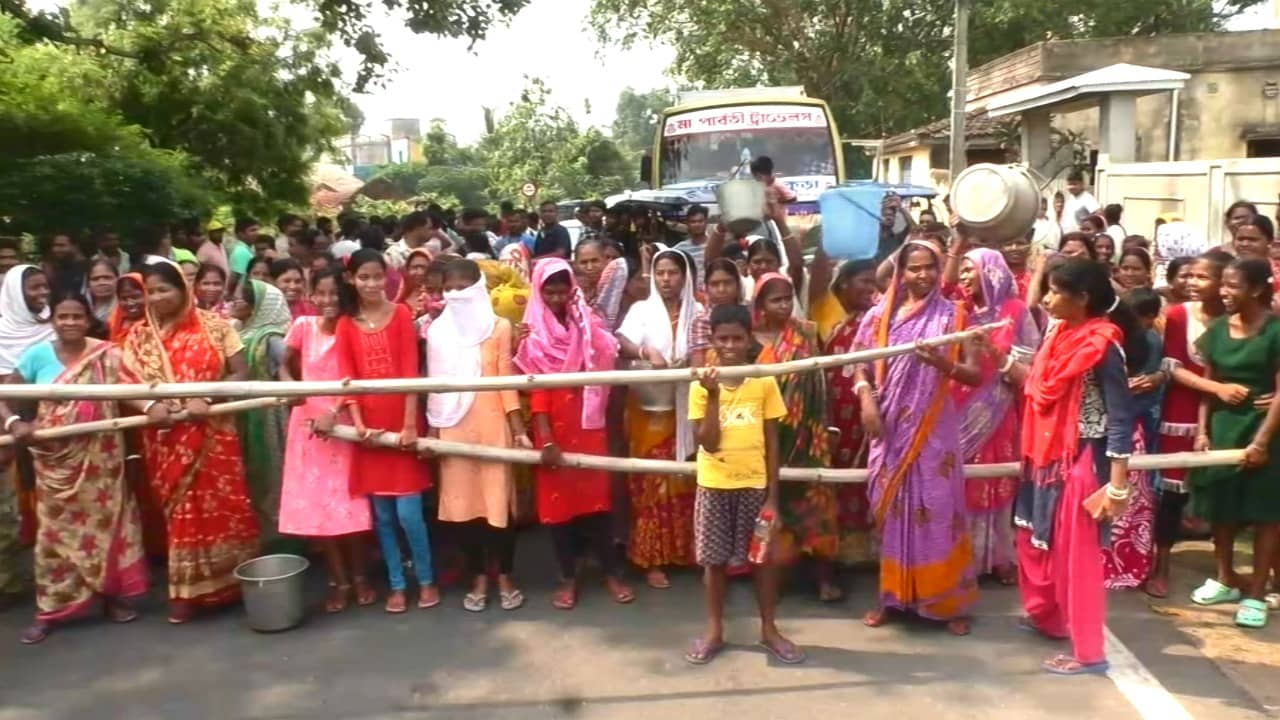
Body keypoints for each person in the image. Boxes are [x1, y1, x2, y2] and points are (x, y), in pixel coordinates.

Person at [1016, 257, 1143, 675]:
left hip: (1085, 460)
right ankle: (1050, 618)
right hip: (1049, 455)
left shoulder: (1102, 345)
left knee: (1079, 558)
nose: (1047, 298)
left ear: (1082, 298)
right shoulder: (1058, 334)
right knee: (1039, 541)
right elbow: (1038, 387)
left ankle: (1089, 652)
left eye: (1055, 291)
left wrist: (1118, 485)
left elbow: (1120, 416)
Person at [2, 290, 150, 644]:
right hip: (53, 463)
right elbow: (6, 396)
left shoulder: (107, 355)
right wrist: (13, 425)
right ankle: (50, 609)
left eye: (76, 317)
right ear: (52, 320)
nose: (69, 323)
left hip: (101, 460)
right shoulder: (37, 355)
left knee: (105, 526)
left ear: (88, 320)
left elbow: (135, 391)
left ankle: (111, 597)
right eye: (62, 317)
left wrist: (151, 409)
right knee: (54, 536)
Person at [119, 259, 258, 623]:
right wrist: (150, 406)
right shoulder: (137, 337)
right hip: (164, 436)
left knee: (225, 506)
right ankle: (187, 593)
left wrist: (209, 397)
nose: (158, 297)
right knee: (181, 513)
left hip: (212, 432)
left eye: (165, 289)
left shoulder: (216, 326)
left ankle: (233, 583)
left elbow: (240, 370)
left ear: (183, 289)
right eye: (151, 291)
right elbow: (125, 381)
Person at [853, 240, 980, 635]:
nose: (922, 275)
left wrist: (942, 362)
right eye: (914, 269)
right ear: (900, 273)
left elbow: (974, 373)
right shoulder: (880, 317)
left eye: (929, 267)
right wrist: (866, 401)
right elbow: (858, 365)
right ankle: (894, 597)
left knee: (938, 510)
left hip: (934, 435)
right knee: (893, 514)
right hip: (888, 430)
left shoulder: (956, 315)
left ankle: (947, 602)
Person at [684, 305, 804, 665]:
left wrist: (774, 498)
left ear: (749, 339)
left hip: (754, 486)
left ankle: (769, 630)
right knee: (714, 563)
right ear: (713, 341)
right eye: (724, 339)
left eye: (738, 338)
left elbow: (772, 444)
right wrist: (715, 395)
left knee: (763, 561)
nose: (731, 345)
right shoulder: (701, 386)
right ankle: (715, 630)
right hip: (714, 485)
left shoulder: (763, 381)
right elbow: (707, 443)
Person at [515, 258, 634, 608]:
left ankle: (612, 574)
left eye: (561, 290)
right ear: (538, 291)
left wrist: (590, 335)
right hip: (552, 428)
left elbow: (608, 350)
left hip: (588, 424)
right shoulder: (532, 333)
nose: (555, 297)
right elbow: (534, 389)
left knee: (598, 508)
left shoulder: (587, 320)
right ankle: (568, 579)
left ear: (571, 289)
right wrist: (546, 438)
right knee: (558, 512)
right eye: (548, 291)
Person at [325, 249, 434, 614]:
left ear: (387, 277)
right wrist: (357, 424)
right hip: (367, 431)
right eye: (363, 277)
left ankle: (427, 579)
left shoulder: (402, 314)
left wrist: (407, 424)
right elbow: (347, 378)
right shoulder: (344, 323)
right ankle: (398, 585)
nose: (371, 284)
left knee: (409, 515)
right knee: (383, 518)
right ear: (351, 280)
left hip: (401, 426)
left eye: (376, 276)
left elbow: (409, 372)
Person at [427, 258, 530, 612]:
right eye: (448, 288)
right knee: (465, 508)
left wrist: (518, 429)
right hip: (452, 427)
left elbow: (505, 379)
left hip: (492, 425)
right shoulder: (437, 331)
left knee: (497, 505)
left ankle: (505, 576)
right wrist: (432, 433)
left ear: (477, 288)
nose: (455, 294)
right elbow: (435, 387)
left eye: (462, 287)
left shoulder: (498, 327)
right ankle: (478, 578)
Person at [1187, 257, 1280, 628]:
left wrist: (1261, 442)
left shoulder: (1275, 331)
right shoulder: (1218, 331)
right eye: (1222, 284)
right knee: (1221, 509)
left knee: (1265, 514)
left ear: (1256, 289)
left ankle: (1257, 593)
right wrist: (1202, 432)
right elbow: (1210, 388)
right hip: (1224, 429)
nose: (1223, 292)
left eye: (1233, 286)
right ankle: (1226, 578)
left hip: (1267, 432)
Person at [278, 268, 374, 612]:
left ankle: (361, 576)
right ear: (311, 296)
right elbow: (285, 364)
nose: (328, 301)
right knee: (319, 511)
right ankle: (339, 581)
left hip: (345, 421)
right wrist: (291, 386)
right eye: (321, 294)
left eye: (334, 294)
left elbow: (356, 376)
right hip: (306, 426)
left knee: (351, 507)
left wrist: (334, 411)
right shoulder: (303, 326)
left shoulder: (352, 326)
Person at [616, 247, 703, 587]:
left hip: (686, 407)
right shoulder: (641, 310)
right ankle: (652, 557)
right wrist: (645, 351)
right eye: (661, 273)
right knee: (651, 484)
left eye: (673, 273)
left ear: (685, 277)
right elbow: (621, 341)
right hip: (650, 408)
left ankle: (684, 551)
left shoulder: (699, 311)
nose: (667, 279)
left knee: (686, 481)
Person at [954, 248, 1041, 585]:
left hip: (1000, 406)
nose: (962, 277)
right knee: (963, 480)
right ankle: (964, 558)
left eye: (969, 270)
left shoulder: (1014, 312)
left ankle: (999, 556)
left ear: (990, 272)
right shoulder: (957, 312)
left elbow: (1027, 363)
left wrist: (996, 354)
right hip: (958, 407)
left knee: (998, 479)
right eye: (960, 271)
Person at [1147, 251, 1232, 598]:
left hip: (1228, 411)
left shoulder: (1237, 317)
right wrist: (1215, 388)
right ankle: (1161, 564)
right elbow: (1172, 366)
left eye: (1202, 277)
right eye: (1190, 276)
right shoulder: (1179, 315)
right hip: (1181, 409)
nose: (1192, 283)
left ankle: (1226, 571)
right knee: (1172, 492)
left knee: (1225, 491)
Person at [750, 273, 839, 600]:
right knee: (775, 506)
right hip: (768, 437)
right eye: (776, 299)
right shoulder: (748, 339)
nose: (784, 305)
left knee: (818, 505)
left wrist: (828, 428)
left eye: (788, 298)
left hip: (808, 435)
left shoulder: (805, 332)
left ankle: (825, 577)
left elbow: (820, 382)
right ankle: (778, 576)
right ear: (760, 304)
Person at [823, 260, 879, 565]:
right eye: (863, 281)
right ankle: (840, 550)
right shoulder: (836, 328)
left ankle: (866, 550)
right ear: (843, 284)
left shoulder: (879, 324)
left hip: (867, 412)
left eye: (873, 282)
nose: (870, 289)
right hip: (837, 419)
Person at [230, 279, 292, 549]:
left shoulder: (271, 337)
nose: (234, 303)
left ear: (258, 306)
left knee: (272, 475)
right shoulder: (238, 332)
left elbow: (288, 371)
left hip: (268, 416)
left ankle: (283, 540)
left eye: (240, 299)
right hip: (242, 413)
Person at [673, 205, 711, 291]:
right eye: (693, 222)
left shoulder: (714, 246)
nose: (697, 224)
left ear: (706, 222)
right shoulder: (680, 249)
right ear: (687, 224)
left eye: (700, 221)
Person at [108, 273, 146, 345]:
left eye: (135, 297)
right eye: (124, 298)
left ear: (146, 294)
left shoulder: (157, 323)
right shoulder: (114, 321)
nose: (130, 303)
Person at [1059, 169, 1100, 235]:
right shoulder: (1070, 199)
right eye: (1070, 184)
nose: (1072, 187)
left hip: (1081, 237)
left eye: (1075, 184)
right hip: (1067, 236)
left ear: (1081, 184)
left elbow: (1099, 215)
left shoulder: (1087, 198)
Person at [85, 258, 119, 323]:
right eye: (95, 279)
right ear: (88, 283)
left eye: (107, 278)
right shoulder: (81, 304)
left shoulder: (125, 305)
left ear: (117, 279)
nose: (102, 283)